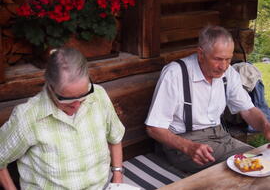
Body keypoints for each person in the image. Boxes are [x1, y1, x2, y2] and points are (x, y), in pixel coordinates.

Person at [145, 25, 270, 174]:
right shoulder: (175, 74)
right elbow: (153, 128)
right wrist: (188, 147)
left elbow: (248, 111)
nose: (223, 66)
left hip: (221, 137)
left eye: (228, 59)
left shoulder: (228, 73)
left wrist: (265, 125)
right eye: (217, 59)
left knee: (261, 163)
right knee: (248, 169)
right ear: (200, 54)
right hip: (183, 144)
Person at [0, 48, 125, 189]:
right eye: (68, 100)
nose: (77, 105)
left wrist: (117, 176)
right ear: (50, 87)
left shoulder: (99, 95)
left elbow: (115, 137)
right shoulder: (28, 117)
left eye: (83, 96)